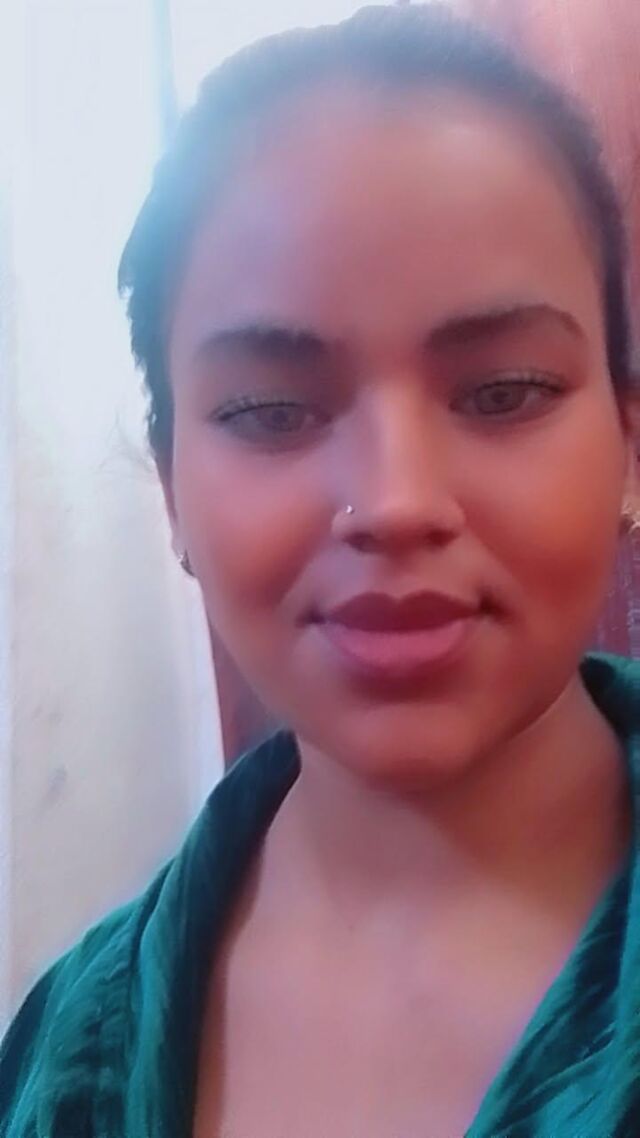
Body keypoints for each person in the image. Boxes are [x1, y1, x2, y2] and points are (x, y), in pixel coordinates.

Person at [2, 4, 639, 1136]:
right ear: (173, 490)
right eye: (269, 410)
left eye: (503, 392)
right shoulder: (59, 1054)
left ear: (627, 447)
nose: (393, 502)